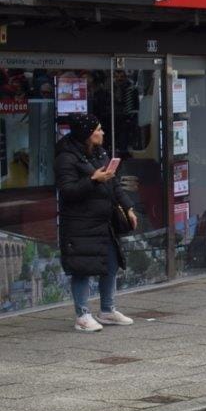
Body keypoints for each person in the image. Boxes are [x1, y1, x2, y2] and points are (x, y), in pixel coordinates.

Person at [55, 114, 137, 332]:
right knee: (82, 268)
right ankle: (82, 315)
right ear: (87, 134)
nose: (102, 133)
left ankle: (107, 310)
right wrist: (93, 180)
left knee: (110, 264)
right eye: (98, 129)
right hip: (80, 223)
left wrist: (128, 207)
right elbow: (68, 191)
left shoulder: (100, 153)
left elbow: (114, 184)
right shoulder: (66, 157)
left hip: (103, 221)